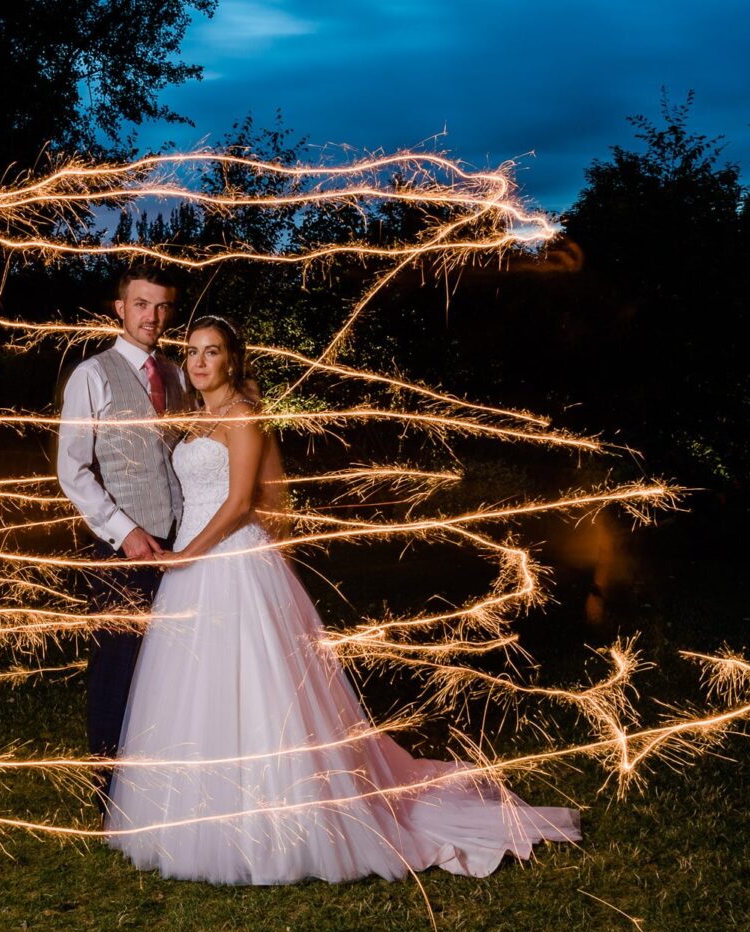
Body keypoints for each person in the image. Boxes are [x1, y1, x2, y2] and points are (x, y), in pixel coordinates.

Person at [104, 316, 582, 883]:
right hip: (193, 562)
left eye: (213, 352)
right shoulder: (194, 423)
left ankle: (282, 825)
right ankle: (193, 819)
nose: (201, 362)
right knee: (193, 687)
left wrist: (189, 555)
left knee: (260, 686)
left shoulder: (243, 417)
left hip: (228, 559)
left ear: (232, 361)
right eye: (193, 353)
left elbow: (238, 505)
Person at [56, 264, 191, 815]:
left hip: (183, 544)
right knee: (118, 665)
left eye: (161, 307)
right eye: (141, 305)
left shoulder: (180, 376)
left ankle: (165, 785)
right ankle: (109, 794)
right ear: (119, 308)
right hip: (123, 549)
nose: (152, 317)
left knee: (174, 665)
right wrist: (125, 531)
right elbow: (73, 469)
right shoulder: (92, 375)